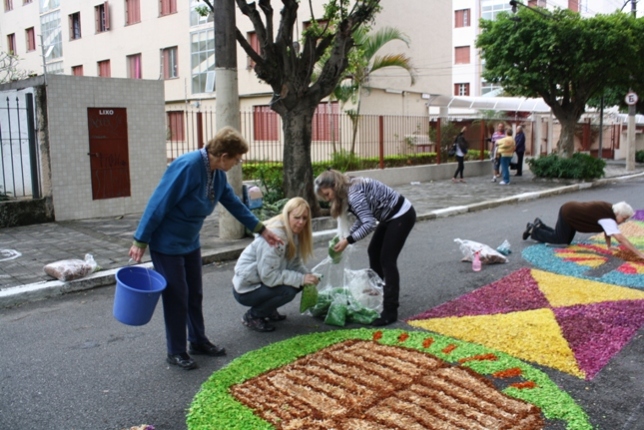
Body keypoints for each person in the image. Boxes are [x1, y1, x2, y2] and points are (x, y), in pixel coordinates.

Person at [128, 126, 282, 371]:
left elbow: (233, 203)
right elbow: (159, 202)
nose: (237, 163)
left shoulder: (216, 175)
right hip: (167, 243)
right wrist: (140, 240)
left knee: (194, 293)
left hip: (190, 241)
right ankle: (176, 351)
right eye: (236, 159)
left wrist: (261, 229)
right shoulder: (188, 166)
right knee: (177, 296)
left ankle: (198, 340)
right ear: (224, 156)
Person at [314, 169, 416, 326]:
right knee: (373, 251)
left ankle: (390, 311)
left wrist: (348, 240)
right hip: (387, 216)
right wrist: (347, 237)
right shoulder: (347, 188)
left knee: (387, 260)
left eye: (327, 194)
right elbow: (363, 218)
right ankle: (377, 289)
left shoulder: (354, 194)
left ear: (334, 185)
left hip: (401, 215)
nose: (328, 199)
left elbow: (369, 224)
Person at [232, 197, 320, 332]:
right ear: (287, 215)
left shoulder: (294, 233)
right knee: (288, 291)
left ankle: (268, 309)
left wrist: (308, 276)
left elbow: (294, 263)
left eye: (304, 218)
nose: (301, 222)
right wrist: (301, 278)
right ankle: (252, 316)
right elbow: (269, 276)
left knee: (301, 283)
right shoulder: (275, 237)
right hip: (246, 289)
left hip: (261, 282)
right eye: (297, 217)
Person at [522, 201, 644, 259]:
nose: (623, 221)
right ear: (619, 214)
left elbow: (608, 230)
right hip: (569, 214)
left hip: (572, 211)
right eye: (624, 218)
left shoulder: (610, 209)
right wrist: (639, 254)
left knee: (564, 239)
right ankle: (533, 230)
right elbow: (621, 238)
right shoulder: (608, 218)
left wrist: (609, 246)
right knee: (560, 241)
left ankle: (540, 226)